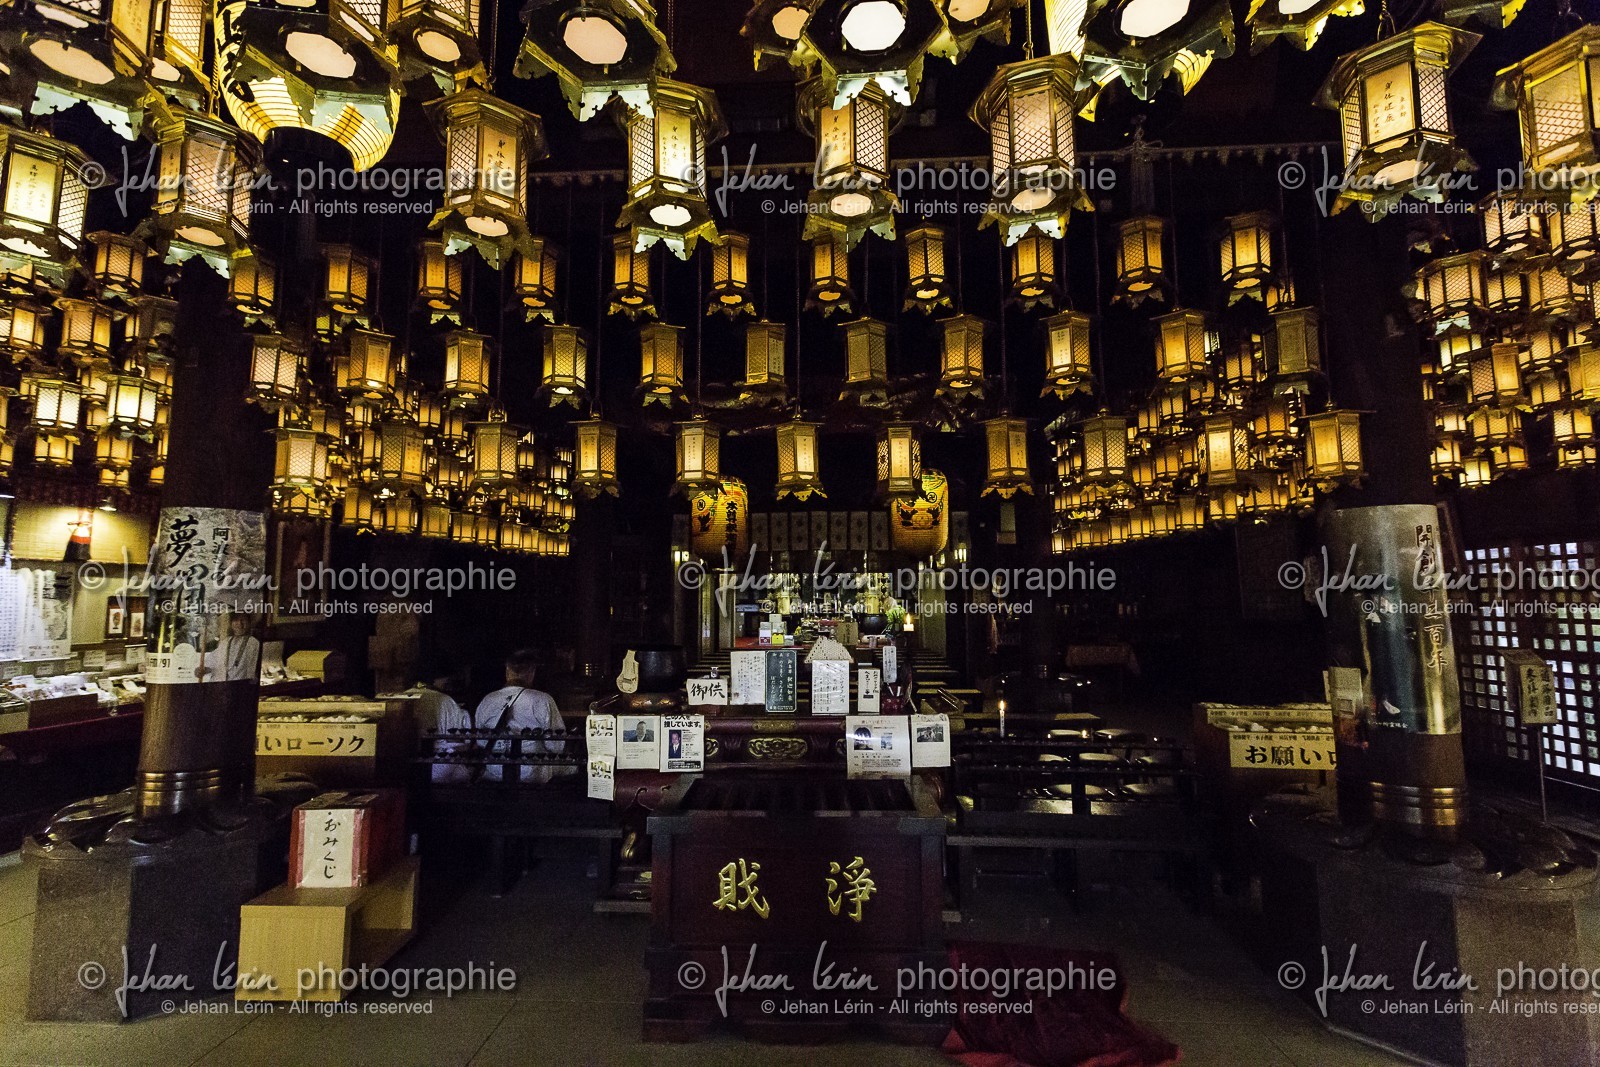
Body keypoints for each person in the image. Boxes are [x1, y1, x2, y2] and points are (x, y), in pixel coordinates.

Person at [472, 649, 566, 783]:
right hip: (531, 774)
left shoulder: (487, 700)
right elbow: (556, 746)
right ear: (532, 673)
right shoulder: (543, 700)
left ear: (507, 671)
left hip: (494, 772)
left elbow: (481, 742)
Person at [198, 613, 261, 682]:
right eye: (236, 620)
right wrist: (204, 670)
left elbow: (251, 671)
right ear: (231, 623)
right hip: (220, 685)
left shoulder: (253, 642)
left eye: (243, 620)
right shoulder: (226, 641)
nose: (240, 624)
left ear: (249, 623)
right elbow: (214, 663)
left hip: (239, 686)